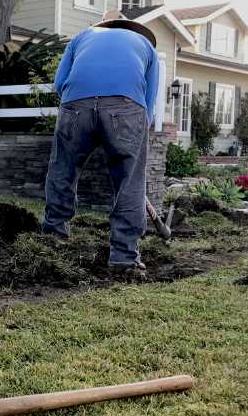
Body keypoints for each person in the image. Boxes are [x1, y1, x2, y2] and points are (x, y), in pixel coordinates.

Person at [42, 15, 161, 275]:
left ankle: (53, 238)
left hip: (75, 104)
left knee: (63, 169)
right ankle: (124, 257)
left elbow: (59, 84)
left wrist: (83, 109)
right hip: (127, 107)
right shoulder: (147, 46)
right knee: (130, 181)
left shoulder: (82, 38)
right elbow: (148, 102)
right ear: (134, 30)